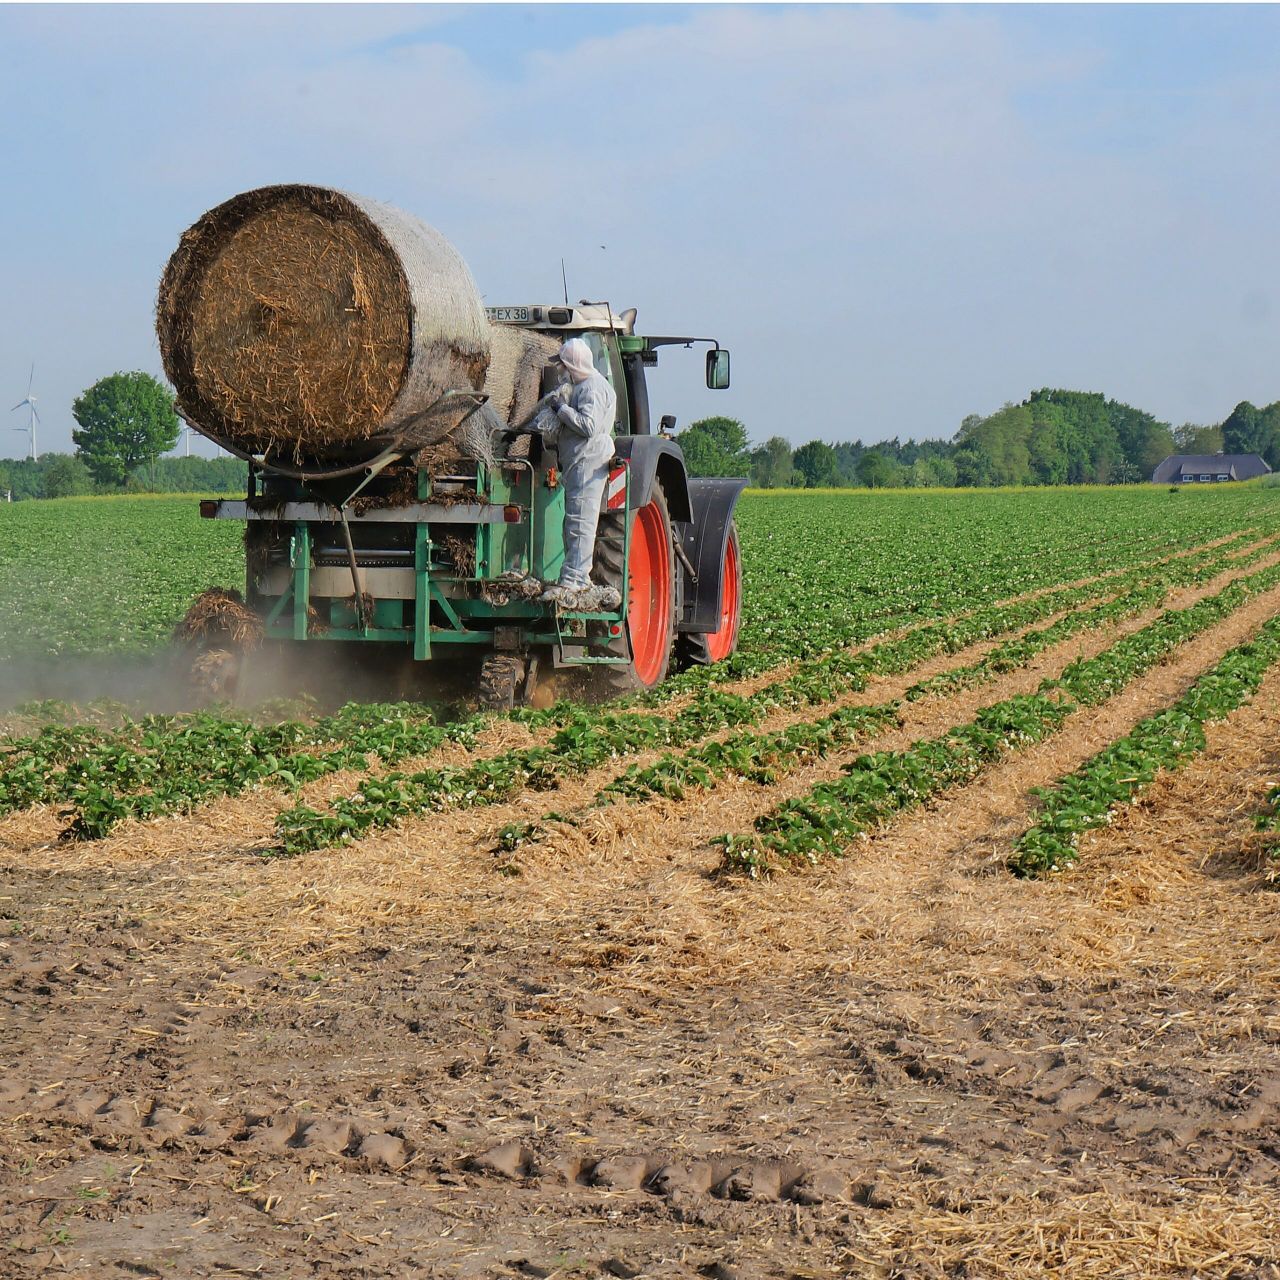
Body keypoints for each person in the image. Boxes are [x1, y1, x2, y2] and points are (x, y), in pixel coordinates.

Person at [536, 338, 621, 610]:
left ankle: (576, 579)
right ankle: (571, 575)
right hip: (578, 463)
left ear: (573, 364)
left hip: (588, 463)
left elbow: (588, 426)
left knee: (581, 522)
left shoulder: (592, 388)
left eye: (562, 364)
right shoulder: (582, 386)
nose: (559, 370)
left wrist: (561, 409)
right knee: (573, 521)